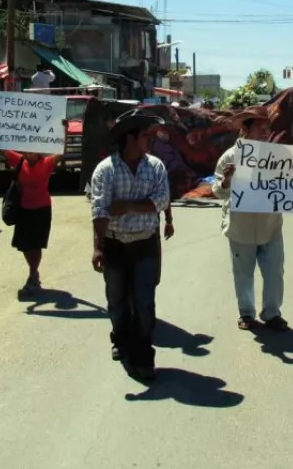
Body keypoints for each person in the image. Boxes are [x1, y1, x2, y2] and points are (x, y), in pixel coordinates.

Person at [213, 105, 293, 331]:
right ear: (246, 130)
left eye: (267, 128)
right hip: (240, 227)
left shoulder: (280, 157)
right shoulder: (231, 157)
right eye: (260, 128)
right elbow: (217, 190)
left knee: (275, 271)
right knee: (243, 274)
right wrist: (226, 181)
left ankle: (272, 313)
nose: (265, 133)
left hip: (271, 225)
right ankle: (246, 314)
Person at [90, 109, 170, 382]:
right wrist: (98, 247)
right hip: (114, 247)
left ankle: (144, 356)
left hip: (145, 245)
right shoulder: (105, 171)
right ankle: (120, 340)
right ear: (130, 138)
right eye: (146, 135)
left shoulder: (156, 167)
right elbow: (100, 210)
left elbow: (161, 200)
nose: (151, 139)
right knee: (117, 300)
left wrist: (127, 206)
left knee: (145, 302)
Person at [4, 144, 64, 296]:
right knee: (24, 245)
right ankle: (34, 273)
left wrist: (63, 131)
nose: (29, 153)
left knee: (36, 245)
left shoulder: (47, 163)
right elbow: (2, 149)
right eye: (26, 151)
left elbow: (61, 152)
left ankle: (32, 275)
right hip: (24, 209)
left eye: (32, 151)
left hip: (42, 210)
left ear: (38, 153)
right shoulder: (19, 161)